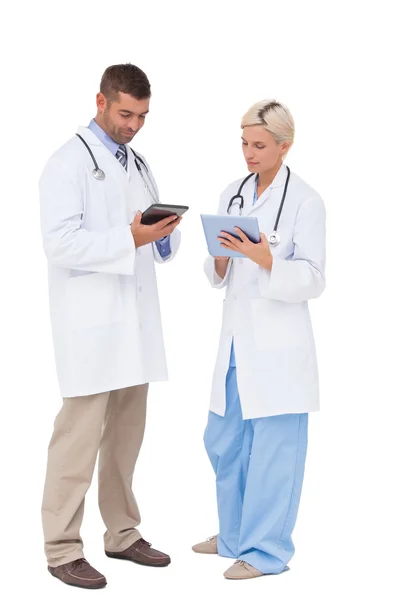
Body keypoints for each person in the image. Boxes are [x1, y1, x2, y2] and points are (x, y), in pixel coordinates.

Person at [39, 63, 182, 590]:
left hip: (134, 326)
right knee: (76, 441)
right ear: (100, 102)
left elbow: (150, 237)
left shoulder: (138, 163)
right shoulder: (67, 163)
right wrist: (131, 239)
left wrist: (163, 235)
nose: (135, 125)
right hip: (91, 326)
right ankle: (61, 547)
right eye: (126, 114)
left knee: (125, 439)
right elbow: (60, 243)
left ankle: (122, 533)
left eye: (142, 116)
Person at [192, 100, 326, 580]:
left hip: (278, 352)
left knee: (273, 453)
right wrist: (222, 261)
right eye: (244, 143)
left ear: (284, 146)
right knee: (224, 441)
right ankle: (233, 535)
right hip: (235, 345)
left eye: (259, 145)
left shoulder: (306, 201)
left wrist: (267, 260)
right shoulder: (234, 192)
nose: (248, 153)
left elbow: (313, 278)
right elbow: (216, 268)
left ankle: (266, 551)